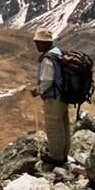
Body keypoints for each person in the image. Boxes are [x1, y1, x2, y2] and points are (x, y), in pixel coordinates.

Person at [30, 28, 70, 165]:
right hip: (63, 95)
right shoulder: (57, 52)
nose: (36, 45)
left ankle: (56, 157)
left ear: (45, 43)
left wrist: (38, 91)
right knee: (63, 125)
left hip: (53, 98)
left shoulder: (47, 59)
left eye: (38, 42)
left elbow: (47, 81)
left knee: (54, 128)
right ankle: (64, 154)